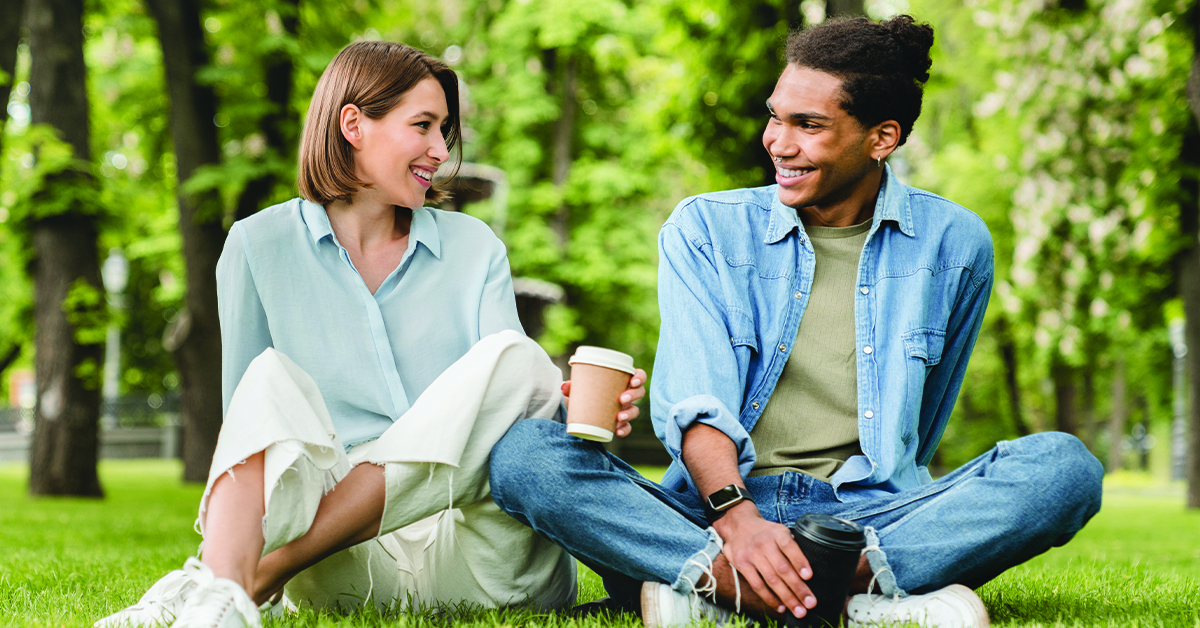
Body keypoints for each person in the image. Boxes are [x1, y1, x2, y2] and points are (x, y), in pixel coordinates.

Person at [489, 15, 1103, 628]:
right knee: (527, 456)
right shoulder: (705, 229)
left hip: (871, 520)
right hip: (712, 510)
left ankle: (733, 593)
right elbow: (697, 400)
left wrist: (865, 537)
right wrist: (737, 519)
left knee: (1062, 470)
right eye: (775, 116)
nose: (778, 142)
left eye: (808, 125)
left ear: (882, 137)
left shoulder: (955, 241)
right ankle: (832, 599)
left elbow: (925, 417)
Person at [94, 40, 646, 628]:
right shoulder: (258, 246)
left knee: (517, 360)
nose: (441, 149)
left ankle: (248, 578)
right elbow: (247, 434)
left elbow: (510, 414)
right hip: (345, 570)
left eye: (445, 130)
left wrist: (576, 415)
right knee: (266, 379)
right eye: (423, 126)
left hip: (478, 560)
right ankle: (224, 595)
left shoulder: (474, 247)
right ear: (353, 123)